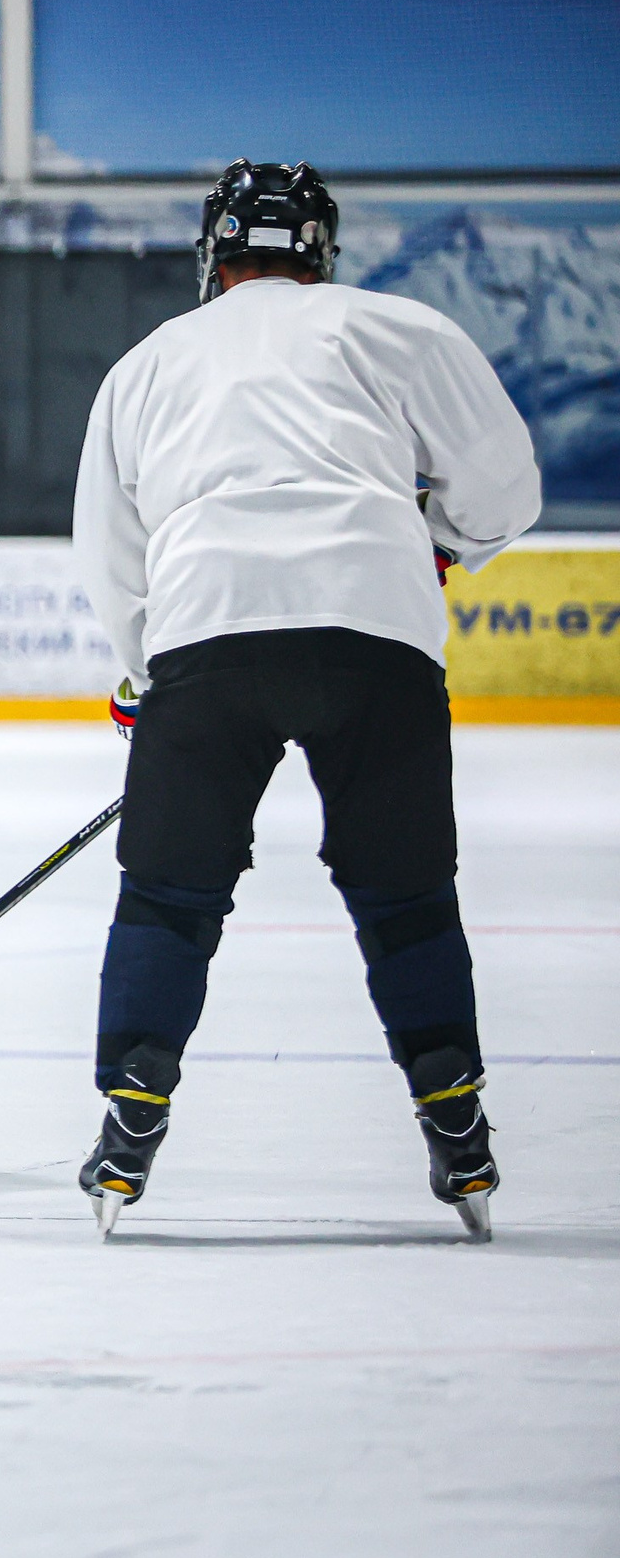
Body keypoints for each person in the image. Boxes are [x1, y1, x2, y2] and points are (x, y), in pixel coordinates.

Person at [71, 159, 542, 1239]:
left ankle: (133, 1106)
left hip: (207, 635)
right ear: (321, 250)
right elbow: (503, 484)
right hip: (373, 634)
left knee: (169, 896)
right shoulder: (398, 328)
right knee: (406, 894)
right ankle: (456, 1122)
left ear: (213, 250)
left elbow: (110, 548)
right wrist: (437, 547)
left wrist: (148, 672)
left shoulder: (145, 365)